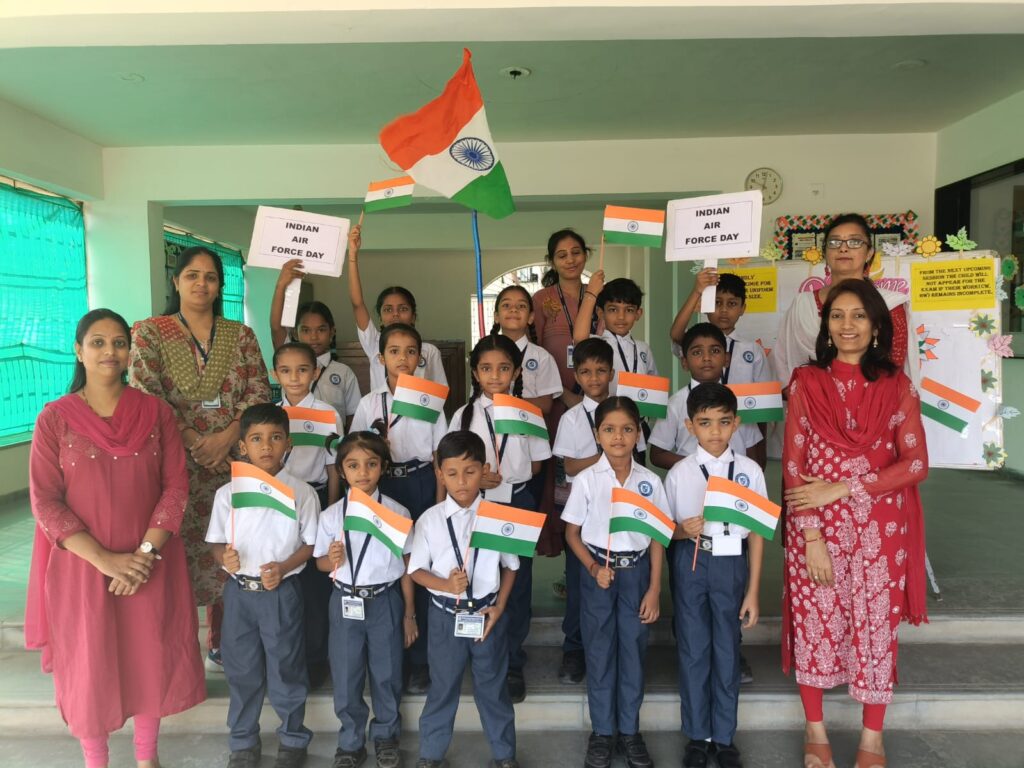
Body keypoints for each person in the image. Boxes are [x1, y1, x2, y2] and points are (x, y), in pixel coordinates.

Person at [26, 309, 206, 768]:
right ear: (78, 350)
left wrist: (142, 556)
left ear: (130, 352)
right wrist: (106, 560)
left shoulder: (156, 413)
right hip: (83, 565)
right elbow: (45, 501)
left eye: (119, 342)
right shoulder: (54, 419)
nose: (110, 351)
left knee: (149, 654)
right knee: (89, 663)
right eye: (98, 342)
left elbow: (175, 487)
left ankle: (147, 758)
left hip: (150, 560)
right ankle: (96, 761)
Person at [781, 279, 929, 768]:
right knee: (816, 622)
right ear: (825, 325)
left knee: (875, 627)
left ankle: (872, 739)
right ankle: (815, 729)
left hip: (880, 530)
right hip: (816, 527)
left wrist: (843, 487)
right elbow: (793, 466)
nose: (848, 325)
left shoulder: (897, 386)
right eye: (837, 315)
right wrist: (812, 536)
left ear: (877, 326)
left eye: (859, 315)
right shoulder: (806, 382)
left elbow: (915, 464)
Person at [130, 245, 271, 672]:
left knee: (233, 546)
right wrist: (194, 440)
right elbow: (146, 392)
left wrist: (227, 437)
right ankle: (174, 649)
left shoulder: (241, 336)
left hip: (234, 462)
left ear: (220, 286)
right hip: (175, 463)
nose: (201, 284)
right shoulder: (150, 333)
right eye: (192, 275)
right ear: (176, 281)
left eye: (210, 277)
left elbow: (259, 390)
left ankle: (225, 642)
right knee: (176, 550)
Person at [205, 403, 319, 768]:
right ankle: (243, 741)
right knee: (242, 669)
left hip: (280, 593)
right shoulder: (228, 494)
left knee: (286, 667)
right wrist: (224, 558)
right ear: (242, 446)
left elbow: (311, 545)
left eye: (275, 438)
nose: (266, 446)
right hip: (240, 594)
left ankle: (293, 739)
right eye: (256, 439)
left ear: (288, 443)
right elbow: (215, 542)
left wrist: (283, 567)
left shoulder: (302, 493)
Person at [562, 397, 667, 768]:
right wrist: (593, 568)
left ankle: (630, 731)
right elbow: (572, 533)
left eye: (626, 429)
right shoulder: (586, 480)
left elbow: (658, 538)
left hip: (636, 574)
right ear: (597, 435)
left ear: (638, 434)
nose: (618, 437)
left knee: (633, 653)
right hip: (600, 576)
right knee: (600, 652)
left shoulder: (650, 482)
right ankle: (603, 732)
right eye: (609, 429)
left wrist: (654, 589)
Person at [665, 383, 766, 768]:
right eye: (704, 423)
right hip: (692, 559)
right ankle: (698, 736)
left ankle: (724, 737)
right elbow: (664, 531)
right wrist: (681, 530)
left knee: (727, 648)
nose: (715, 431)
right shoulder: (679, 473)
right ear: (690, 426)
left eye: (724, 422)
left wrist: (753, 591)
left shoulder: (750, 471)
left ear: (736, 423)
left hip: (731, 563)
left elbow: (756, 533)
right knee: (693, 649)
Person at [448, 335, 552, 703]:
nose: (495, 375)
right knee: (475, 577)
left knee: (516, 582)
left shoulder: (528, 413)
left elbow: (537, 465)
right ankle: (479, 654)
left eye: (504, 368)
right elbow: (450, 464)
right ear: (475, 373)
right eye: (487, 368)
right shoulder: (463, 415)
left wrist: (507, 477)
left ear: (517, 371)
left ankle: (511, 663)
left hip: (517, 503)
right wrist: (478, 478)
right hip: (473, 504)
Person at [408, 431, 520, 768]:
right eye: (452, 473)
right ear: (439, 473)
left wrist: (500, 607)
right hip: (445, 617)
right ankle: (431, 754)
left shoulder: (498, 518)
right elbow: (416, 571)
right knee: (443, 686)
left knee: (493, 687)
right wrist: (445, 583)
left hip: (486, 615)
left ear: (484, 471)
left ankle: (504, 755)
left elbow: (511, 567)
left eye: (470, 472)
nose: (461, 481)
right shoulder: (429, 520)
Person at [348, 322, 448, 694]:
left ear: (420, 358)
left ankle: (421, 660)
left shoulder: (431, 402)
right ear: (381, 358)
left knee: (419, 566)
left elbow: (439, 458)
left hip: (421, 484)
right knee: (389, 567)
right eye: (394, 351)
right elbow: (356, 450)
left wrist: (439, 504)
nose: (402, 358)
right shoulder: (369, 402)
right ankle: (392, 658)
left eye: (410, 351)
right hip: (383, 485)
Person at [314, 432, 417, 768]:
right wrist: (331, 559)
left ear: (383, 467)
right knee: (346, 675)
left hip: (385, 601)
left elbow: (407, 566)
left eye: (371, 464)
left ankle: (386, 736)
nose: (363, 472)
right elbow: (320, 563)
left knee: (387, 672)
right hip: (345, 601)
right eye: (353, 465)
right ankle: (350, 742)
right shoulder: (332, 516)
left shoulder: (397, 512)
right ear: (341, 470)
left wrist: (409, 614)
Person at [530, 228, 598, 682]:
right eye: (561, 254)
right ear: (552, 260)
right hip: (558, 407)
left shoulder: (601, 294)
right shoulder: (543, 300)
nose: (570, 259)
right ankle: (569, 555)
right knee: (563, 492)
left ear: (586, 255)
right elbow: (536, 354)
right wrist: (565, 397)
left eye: (576, 252)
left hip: (600, 403)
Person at [773, 213, 915, 390]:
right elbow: (783, 361)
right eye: (834, 242)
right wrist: (807, 398)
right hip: (811, 401)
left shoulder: (889, 303)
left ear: (869, 253)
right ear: (825, 252)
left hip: (874, 401)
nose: (843, 248)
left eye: (854, 242)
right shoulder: (803, 304)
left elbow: (894, 366)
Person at [274, 340, 345, 689]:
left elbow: (333, 467)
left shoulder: (327, 414)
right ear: (275, 374)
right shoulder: (272, 413)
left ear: (315, 373)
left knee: (315, 586)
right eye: (286, 371)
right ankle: (287, 657)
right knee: (286, 580)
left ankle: (316, 658)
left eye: (302, 370)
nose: (295, 378)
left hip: (316, 499)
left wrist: (330, 510)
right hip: (278, 502)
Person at [669, 270, 771, 467]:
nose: (723, 310)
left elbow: (763, 408)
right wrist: (697, 291)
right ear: (705, 305)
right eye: (716, 303)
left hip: (740, 437)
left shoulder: (753, 350)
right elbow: (676, 334)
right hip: (702, 434)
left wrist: (761, 449)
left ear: (743, 308)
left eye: (732, 304)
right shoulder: (696, 340)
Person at [346, 224, 448, 390]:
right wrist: (352, 256)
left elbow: (440, 392)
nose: (395, 314)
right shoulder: (374, 344)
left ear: (413, 316)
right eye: (388, 309)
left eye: (403, 309)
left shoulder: (429, 351)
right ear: (380, 318)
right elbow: (357, 303)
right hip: (380, 408)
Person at [649, 323, 763, 470]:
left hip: (734, 480)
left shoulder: (741, 401)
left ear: (726, 359)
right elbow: (657, 455)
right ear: (684, 362)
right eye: (697, 352)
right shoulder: (675, 403)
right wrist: (700, 466)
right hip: (692, 479)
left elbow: (753, 452)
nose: (707, 358)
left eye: (715, 351)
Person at [270, 264, 361, 430]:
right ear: (295, 333)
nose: (313, 337)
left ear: (332, 332)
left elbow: (353, 417)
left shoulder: (344, 372)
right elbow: (276, 327)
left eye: (321, 329)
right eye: (306, 330)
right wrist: (280, 286)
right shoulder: (289, 360)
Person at [490, 284, 563, 415]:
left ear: (531, 317)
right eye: (506, 305)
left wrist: (507, 401)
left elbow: (546, 405)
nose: (514, 309)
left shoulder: (542, 357)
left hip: (528, 426)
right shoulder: (485, 355)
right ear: (496, 317)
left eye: (521, 306)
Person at [572, 273, 658, 381]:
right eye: (613, 310)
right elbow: (579, 339)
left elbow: (654, 386)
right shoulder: (595, 344)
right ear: (600, 313)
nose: (621, 317)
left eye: (629, 310)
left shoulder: (644, 349)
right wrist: (591, 293)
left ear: (638, 314)